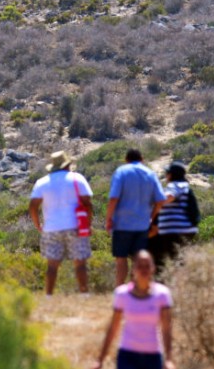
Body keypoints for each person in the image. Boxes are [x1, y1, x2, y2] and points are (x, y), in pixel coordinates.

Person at [93, 251, 175, 369]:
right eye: (140, 266)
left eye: (147, 266)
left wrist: (168, 359)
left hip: (153, 356)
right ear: (133, 269)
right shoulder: (122, 294)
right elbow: (113, 327)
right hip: (127, 355)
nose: (144, 270)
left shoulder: (162, 294)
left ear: (153, 268)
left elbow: (166, 328)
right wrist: (100, 359)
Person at [29, 151, 94, 295]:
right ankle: (84, 294)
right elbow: (88, 204)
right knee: (80, 262)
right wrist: (88, 224)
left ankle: (49, 296)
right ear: (68, 165)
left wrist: (38, 224)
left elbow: (33, 206)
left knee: (52, 265)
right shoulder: (77, 179)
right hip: (75, 225)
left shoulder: (42, 182)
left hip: (51, 227)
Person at [106, 149, 166, 286]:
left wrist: (109, 218)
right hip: (142, 225)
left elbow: (114, 198)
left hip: (121, 224)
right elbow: (160, 200)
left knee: (121, 259)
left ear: (126, 159)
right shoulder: (150, 174)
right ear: (142, 159)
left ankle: (120, 289)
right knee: (138, 259)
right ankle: (136, 288)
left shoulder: (121, 172)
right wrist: (152, 216)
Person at [148, 161, 200, 272]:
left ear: (170, 175)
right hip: (184, 229)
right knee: (177, 259)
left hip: (176, 229)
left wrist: (154, 202)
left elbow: (168, 196)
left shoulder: (176, 184)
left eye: (167, 173)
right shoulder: (184, 186)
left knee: (162, 259)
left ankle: (168, 283)